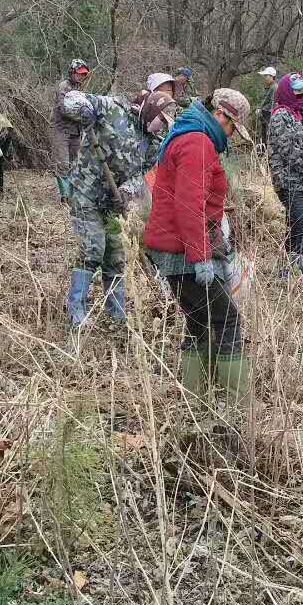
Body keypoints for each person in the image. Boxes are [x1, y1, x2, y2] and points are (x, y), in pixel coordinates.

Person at [144, 88, 253, 403]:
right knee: (228, 319)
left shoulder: (188, 135)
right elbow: (189, 204)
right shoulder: (197, 142)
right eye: (232, 128)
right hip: (183, 253)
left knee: (199, 322)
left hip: (176, 248)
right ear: (221, 115)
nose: (231, 136)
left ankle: (196, 401)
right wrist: (201, 256)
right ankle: (236, 406)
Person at [61, 90, 146, 335]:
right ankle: (77, 312)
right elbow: (72, 98)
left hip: (113, 203)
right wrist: (83, 110)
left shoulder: (153, 141)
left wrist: (126, 191)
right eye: (159, 118)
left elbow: (144, 176)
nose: (160, 123)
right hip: (85, 192)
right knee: (93, 249)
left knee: (116, 256)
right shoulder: (113, 108)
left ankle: (116, 317)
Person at [267, 73, 303, 297]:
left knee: (294, 228)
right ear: (287, 92)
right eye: (298, 91)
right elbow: (289, 152)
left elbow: (300, 142)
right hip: (288, 182)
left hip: (301, 182)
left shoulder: (298, 115)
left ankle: (283, 271)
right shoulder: (280, 116)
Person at [50, 59, 91, 201]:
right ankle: (64, 195)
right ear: (72, 72)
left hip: (76, 132)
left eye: (83, 74)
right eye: (79, 74)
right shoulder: (64, 87)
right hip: (62, 131)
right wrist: (83, 114)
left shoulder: (80, 89)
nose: (81, 76)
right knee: (62, 164)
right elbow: (64, 109)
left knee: (75, 164)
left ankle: (72, 193)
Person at [139, 73, 179, 172]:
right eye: (163, 90)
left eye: (170, 90)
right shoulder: (141, 115)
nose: (168, 94)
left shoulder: (173, 111)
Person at [256, 67, 278, 145]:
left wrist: (262, 109)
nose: (264, 78)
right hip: (265, 115)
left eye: (266, 76)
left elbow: (273, 103)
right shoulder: (269, 87)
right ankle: (263, 151)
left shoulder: (274, 87)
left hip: (269, 115)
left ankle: (266, 152)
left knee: (267, 134)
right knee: (263, 134)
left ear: (272, 76)